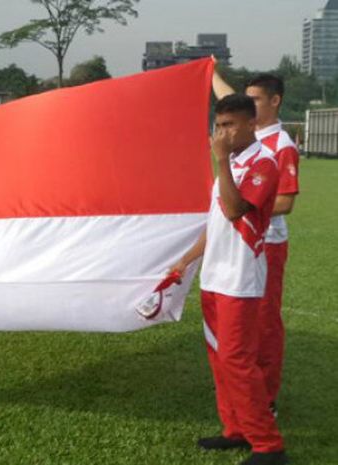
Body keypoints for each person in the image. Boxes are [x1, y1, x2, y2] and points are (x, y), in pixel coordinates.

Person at [171, 94, 288, 465]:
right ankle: (235, 429)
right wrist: (187, 259)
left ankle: (269, 446)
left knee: (238, 360)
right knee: (220, 358)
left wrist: (220, 159)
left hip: (240, 280)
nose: (222, 132)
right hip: (214, 277)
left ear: (252, 124)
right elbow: (217, 221)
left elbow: (236, 210)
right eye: (218, 125)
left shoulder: (264, 163)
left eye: (230, 125)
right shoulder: (232, 163)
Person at [212, 70, 300, 415]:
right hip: (236, 240)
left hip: (266, 243)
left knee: (264, 321)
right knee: (241, 325)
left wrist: (250, 202)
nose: (249, 104)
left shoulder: (281, 146)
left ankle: (267, 397)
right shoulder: (246, 136)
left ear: (274, 102)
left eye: (256, 99)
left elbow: (286, 202)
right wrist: (211, 71)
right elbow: (228, 97)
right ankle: (244, 390)